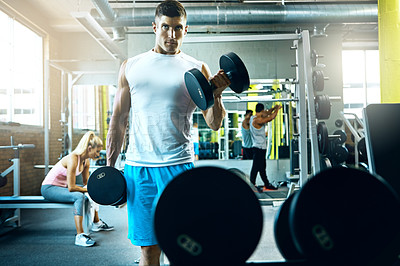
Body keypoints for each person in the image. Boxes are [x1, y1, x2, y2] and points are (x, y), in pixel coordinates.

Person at [106, 0, 230, 265]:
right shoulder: (131, 66)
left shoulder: (197, 68)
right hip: (139, 169)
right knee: (148, 250)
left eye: (177, 28)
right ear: (155, 27)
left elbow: (214, 123)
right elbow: (118, 119)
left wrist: (216, 95)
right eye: (165, 27)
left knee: (183, 245)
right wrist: (110, 167)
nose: (171, 35)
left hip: (178, 167)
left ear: (186, 30)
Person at [41, 131, 114, 247]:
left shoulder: (86, 161)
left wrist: (98, 188)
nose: (99, 154)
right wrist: (90, 190)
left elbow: (87, 183)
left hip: (62, 188)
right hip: (49, 188)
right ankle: (80, 236)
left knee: (89, 192)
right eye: (97, 151)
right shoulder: (73, 158)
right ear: (89, 148)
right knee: (79, 196)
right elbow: (71, 188)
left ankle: (96, 223)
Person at [250, 103, 282, 191]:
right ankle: (252, 185)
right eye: (264, 111)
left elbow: (268, 113)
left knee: (262, 168)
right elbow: (270, 117)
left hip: (260, 148)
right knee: (256, 168)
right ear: (262, 110)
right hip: (258, 148)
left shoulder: (254, 117)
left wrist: (274, 108)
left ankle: (266, 184)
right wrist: (278, 110)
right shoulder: (256, 120)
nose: (265, 112)